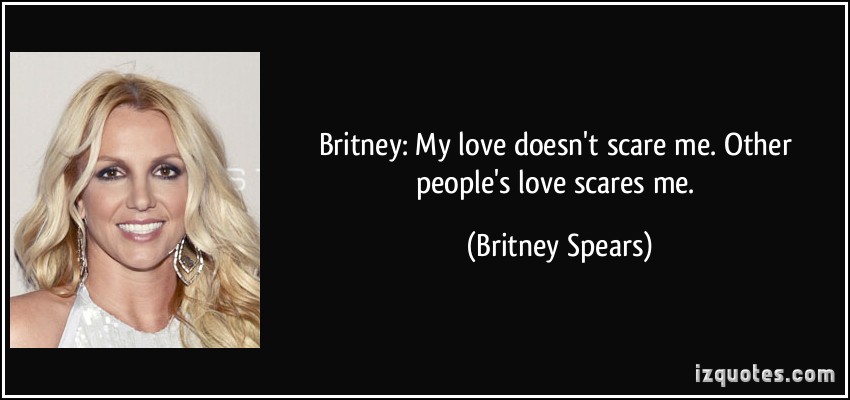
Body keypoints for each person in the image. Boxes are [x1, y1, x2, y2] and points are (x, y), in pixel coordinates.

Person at [9, 70, 260, 348]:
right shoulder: (22, 331)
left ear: (195, 190)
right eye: (112, 173)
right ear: (77, 196)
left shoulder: (245, 331)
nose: (141, 200)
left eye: (165, 171)